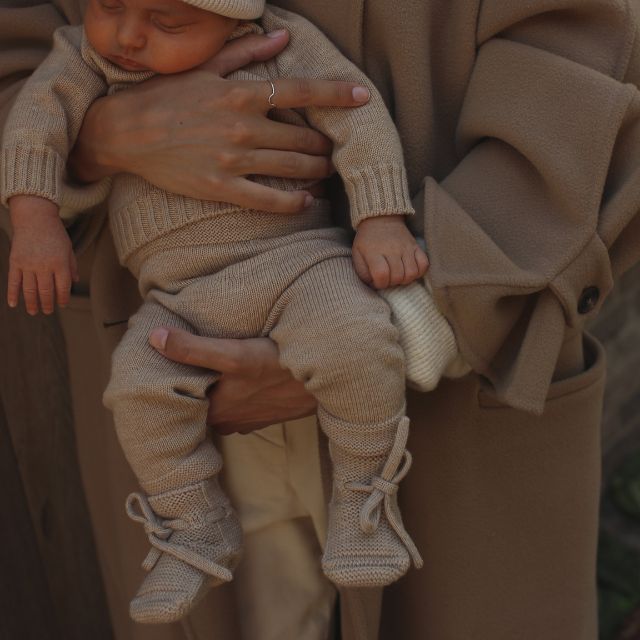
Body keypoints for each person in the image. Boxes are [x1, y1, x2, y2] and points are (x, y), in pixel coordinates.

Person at [2, 0, 640, 639]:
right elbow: (19, 58)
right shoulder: (84, 55)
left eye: (167, 21)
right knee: (145, 397)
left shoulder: (286, 44)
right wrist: (94, 143)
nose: (128, 34)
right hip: (174, 329)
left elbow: (581, 72)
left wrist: (415, 317)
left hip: (441, 356)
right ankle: (192, 526)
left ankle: (366, 500)